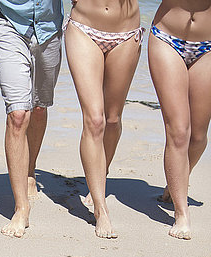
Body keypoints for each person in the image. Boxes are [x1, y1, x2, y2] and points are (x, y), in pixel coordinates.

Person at [64, 0, 144, 239]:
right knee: (94, 120)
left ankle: (101, 173)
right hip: (83, 29)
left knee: (112, 119)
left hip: (126, 33)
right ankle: (101, 208)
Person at [0, 0, 64, 237]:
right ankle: (21, 208)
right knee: (19, 114)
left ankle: (30, 170)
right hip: (8, 22)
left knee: (39, 107)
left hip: (49, 26)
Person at [148, 1, 211, 240]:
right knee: (178, 131)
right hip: (167, 38)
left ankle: (176, 183)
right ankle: (181, 213)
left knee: (198, 137)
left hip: (208, 45)